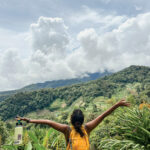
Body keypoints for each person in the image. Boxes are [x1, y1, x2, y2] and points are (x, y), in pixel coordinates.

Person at [17, 99, 130, 150]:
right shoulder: (87, 128)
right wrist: (117, 105)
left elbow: (48, 122)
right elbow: (103, 116)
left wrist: (29, 120)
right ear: (82, 121)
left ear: (71, 120)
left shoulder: (67, 130)